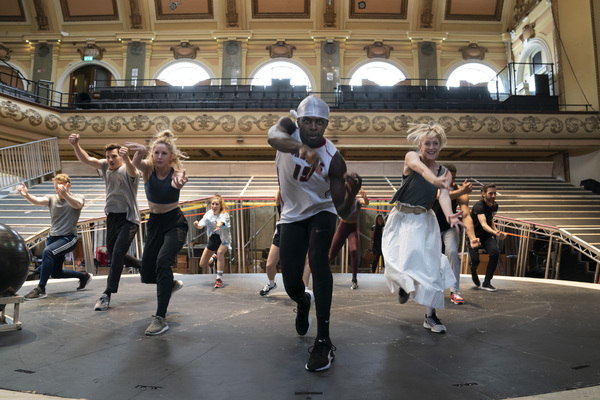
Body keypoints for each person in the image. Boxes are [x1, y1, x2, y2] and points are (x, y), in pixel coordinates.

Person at [268, 95, 361, 372]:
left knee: (319, 259)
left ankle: (323, 341)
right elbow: (273, 137)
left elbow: (344, 212)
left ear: (325, 125)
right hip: (291, 214)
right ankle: (302, 300)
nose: (311, 127)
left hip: (321, 211)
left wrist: (351, 194)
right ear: (299, 121)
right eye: (307, 120)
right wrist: (300, 149)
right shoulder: (287, 128)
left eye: (318, 122)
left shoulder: (334, 160)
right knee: (292, 280)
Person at [381, 123, 464, 334]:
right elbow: (420, 170)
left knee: (433, 268)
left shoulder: (444, 171)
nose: (432, 147)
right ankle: (403, 286)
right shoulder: (412, 157)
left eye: (436, 143)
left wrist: (448, 214)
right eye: (428, 143)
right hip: (402, 219)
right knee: (402, 263)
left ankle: (431, 316)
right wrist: (433, 179)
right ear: (420, 145)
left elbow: (444, 195)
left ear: (441, 146)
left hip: (425, 221)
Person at [68, 134, 142, 311]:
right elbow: (87, 160)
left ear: (121, 157)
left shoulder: (128, 169)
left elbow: (132, 170)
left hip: (129, 218)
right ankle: (144, 266)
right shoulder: (104, 167)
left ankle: (107, 293)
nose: (110, 159)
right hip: (112, 217)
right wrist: (76, 145)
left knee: (117, 252)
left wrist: (127, 158)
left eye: (114, 156)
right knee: (115, 254)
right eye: (108, 156)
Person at [126, 131, 188, 336]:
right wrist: (140, 152)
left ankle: (160, 318)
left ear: (171, 156)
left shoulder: (176, 172)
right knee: (148, 274)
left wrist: (178, 183)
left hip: (174, 224)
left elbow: (178, 180)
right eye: (156, 153)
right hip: (154, 224)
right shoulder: (147, 169)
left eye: (163, 153)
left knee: (163, 262)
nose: (159, 157)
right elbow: (136, 164)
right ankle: (168, 283)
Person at [18, 174, 92, 300]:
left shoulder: (78, 197)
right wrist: (26, 195)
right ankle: (83, 276)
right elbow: (38, 201)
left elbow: (77, 205)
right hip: (54, 238)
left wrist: (66, 194)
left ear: (68, 185)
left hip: (69, 238)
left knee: (48, 252)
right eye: (56, 188)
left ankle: (41, 289)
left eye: (60, 188)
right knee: (56, 273)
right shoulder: (52, 198)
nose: (58, 191)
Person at [432, 164, 480, 305]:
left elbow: (466, 215)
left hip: (449, 228)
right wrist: (460, 192)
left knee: (452, 252)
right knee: (431, 258)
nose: (452, 181)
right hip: (432, 228)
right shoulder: (433, 185)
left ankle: (455, 292)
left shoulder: (459, 189)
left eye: (454, 178)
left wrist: (472, 237)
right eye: (448, 177)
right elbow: (441, 196)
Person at [468, 183, 507, 291]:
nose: (494, 196)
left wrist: (496, 231)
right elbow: (484, 224)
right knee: (475, 261)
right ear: (483, 194)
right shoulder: (479, 206)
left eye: (495, 193)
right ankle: (473, 269)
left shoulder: (495, 206)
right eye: (491, 193)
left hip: (486, 236)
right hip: (474, 236)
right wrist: (496, 233)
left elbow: (490, 220)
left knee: (495, 252)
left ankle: (487, 282)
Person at [328, 189, 369, 289]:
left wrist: (365, 196)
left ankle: (354, 280)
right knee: (331, 255)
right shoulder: (343, 201)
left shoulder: (358, 201)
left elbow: (366, 203)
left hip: (352, 229)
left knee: (354, 250)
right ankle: (320, 272)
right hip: (342, 228)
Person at [193, 194, 231, 288]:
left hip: (223, 239)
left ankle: (219, 279)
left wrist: (218, 225)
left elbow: (221, 221)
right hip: (213, 239)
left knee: (220, 252)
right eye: (213, 204)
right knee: (202, 264)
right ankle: (212, 258)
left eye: (216, 204)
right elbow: (201, 225)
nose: (214, 206)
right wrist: (197, 225)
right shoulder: (209, 214)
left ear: (220, 205)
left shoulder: (224, 215)